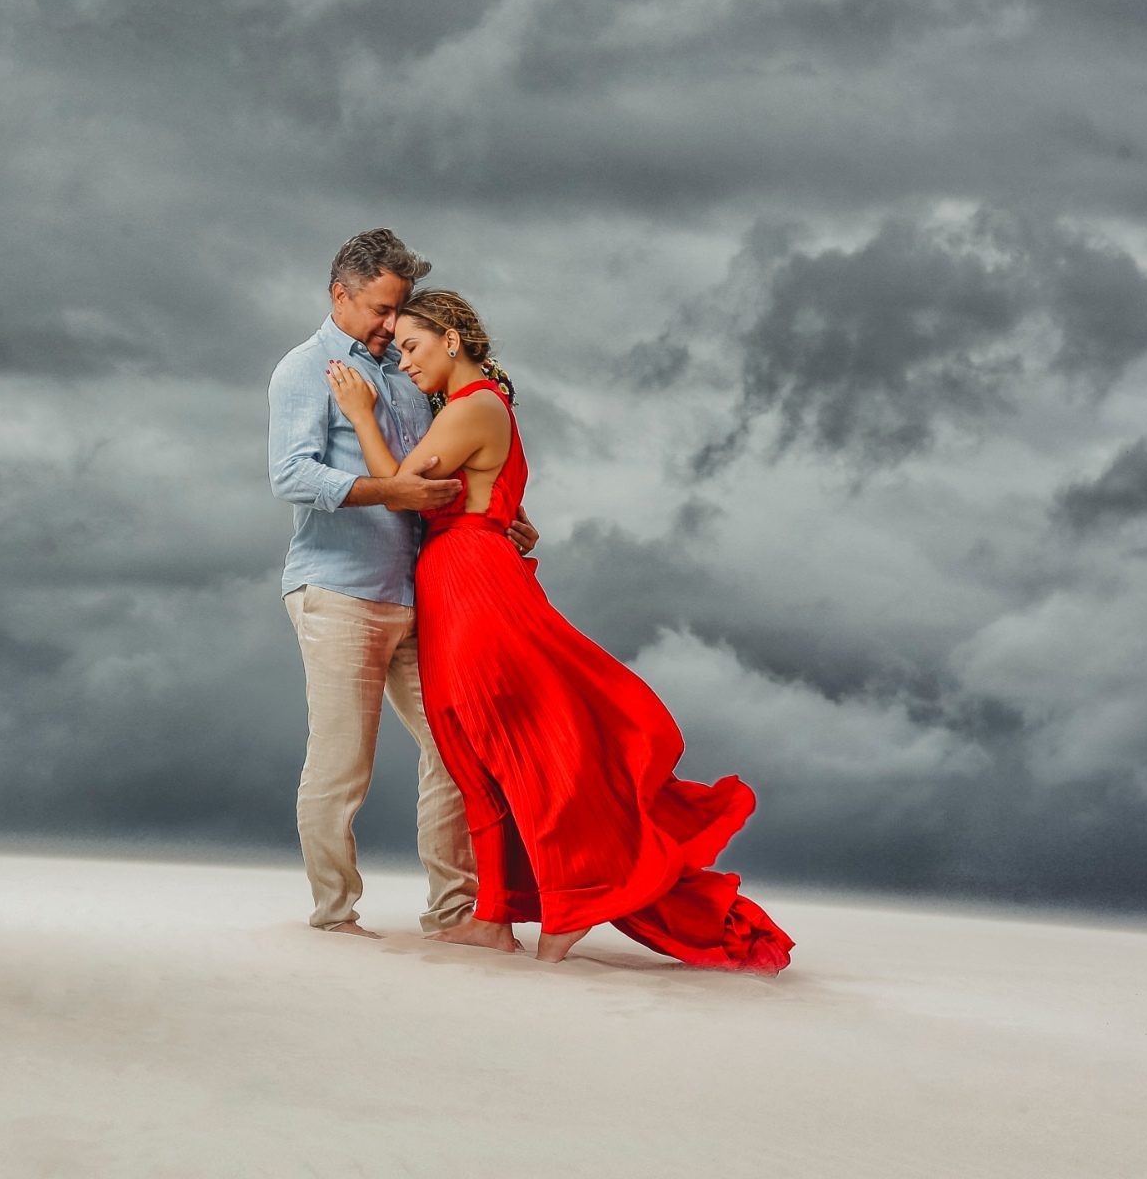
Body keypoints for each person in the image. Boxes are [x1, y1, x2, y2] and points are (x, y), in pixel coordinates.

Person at [323, 287, 794, 971]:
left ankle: (569, 906)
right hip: (457, 578)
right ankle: (492, 919)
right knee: (470, 745)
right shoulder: (473, 409)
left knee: (512, 741)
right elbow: (484, 500)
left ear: (452, 338)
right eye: (397, 352)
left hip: (474, 584)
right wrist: (501, 520)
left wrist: (359, 411)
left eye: (413, 347)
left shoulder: (476, 405)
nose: (405, 363)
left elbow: (400, 486)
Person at [268, 230, 539, 940]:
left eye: (399, 312)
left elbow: (442, 472)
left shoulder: (408, 372)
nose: (391, 326)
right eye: (381, 309)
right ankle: (334, 915)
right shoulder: (305, 369)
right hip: (337, 589)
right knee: (342, 761)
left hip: (419, 598)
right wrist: (389, 490)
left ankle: (452, 911)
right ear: (340, 294)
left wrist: (501, 516)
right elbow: (291, 474)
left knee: (458, 750)